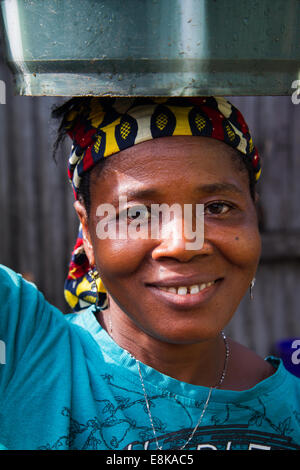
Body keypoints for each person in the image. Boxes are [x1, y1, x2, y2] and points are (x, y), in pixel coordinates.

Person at [0, 97, 299, 451]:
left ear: (254, 215)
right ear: (88, 229)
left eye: (217, 207)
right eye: (138, 213)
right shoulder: (23, 349)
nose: (183, 244)